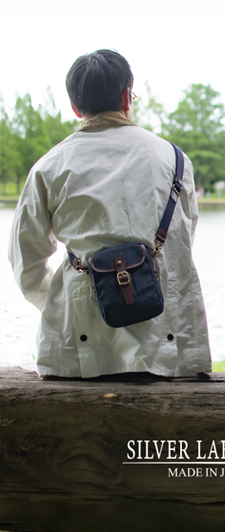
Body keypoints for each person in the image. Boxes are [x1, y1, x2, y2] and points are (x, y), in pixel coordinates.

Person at [8, 49, 211, 378]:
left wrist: (60, 302)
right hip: (164, 334)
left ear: (75, 107)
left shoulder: (49, 167)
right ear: (126, 97)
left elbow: (25, 260)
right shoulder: (174, 159)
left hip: (77, 344)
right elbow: (181, 242)